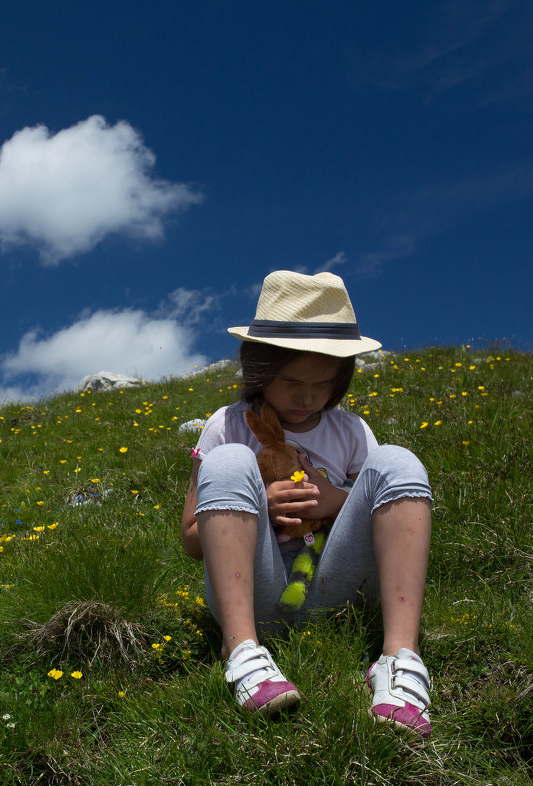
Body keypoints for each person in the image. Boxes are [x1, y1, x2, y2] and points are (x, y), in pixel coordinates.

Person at [180, 270, 434, 738]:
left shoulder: (352, 431)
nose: (308, 397)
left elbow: (375, 514)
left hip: (334, 590)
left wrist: (329, 497)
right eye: (291, 380)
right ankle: (241, 650)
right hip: (254, 594)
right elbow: (192, 540)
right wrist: (261, 506)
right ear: (258, 370)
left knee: (397, 461)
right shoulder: (227, 424)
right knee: (232, 461)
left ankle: (399, 659)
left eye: (324, 383)